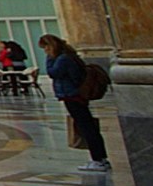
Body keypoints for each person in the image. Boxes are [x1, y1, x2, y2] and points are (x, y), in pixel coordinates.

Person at [43, 34, 110, 171]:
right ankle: (100, 158)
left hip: (72, 96)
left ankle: (98, 159)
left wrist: (49, 59)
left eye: (45, 47)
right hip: (75, 95)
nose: (45, 50)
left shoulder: (63, 59)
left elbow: (53, 73)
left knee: (86, 127)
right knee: (88, 126)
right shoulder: (69, 56)